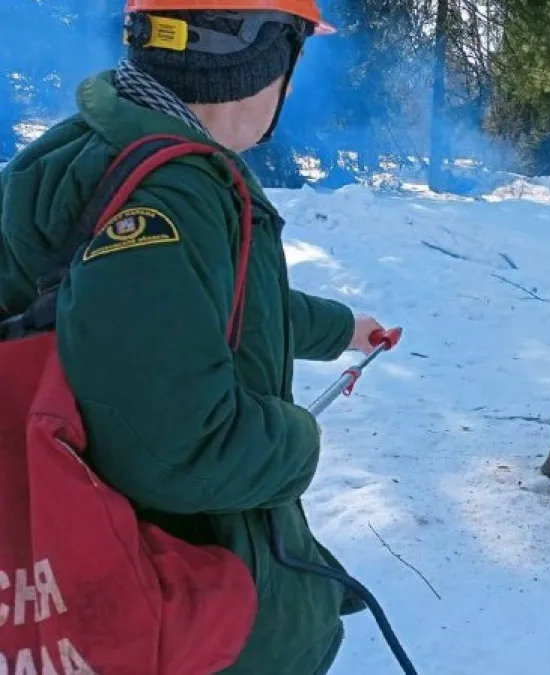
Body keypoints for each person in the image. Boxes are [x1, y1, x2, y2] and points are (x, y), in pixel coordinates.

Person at [0, 2, 384, 673]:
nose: (289, 86)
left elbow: (208, 311)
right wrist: (298, 440)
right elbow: (185, 451)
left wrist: (342, 329)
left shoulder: (93, 145)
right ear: (258, 54)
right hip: (181, 609)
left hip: (79, 570)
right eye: (293, 59)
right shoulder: (167, 196)